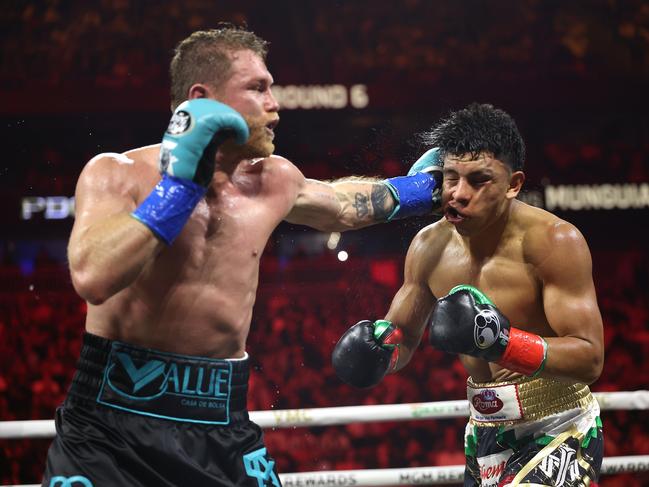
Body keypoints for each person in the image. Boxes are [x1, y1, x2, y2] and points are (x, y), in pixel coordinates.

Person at [42, 24, 443, 487]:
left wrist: (428, 188)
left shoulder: (273, 179)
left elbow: (347, 206)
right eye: (258, 88)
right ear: (202, 98)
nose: (276, 103)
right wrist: (180, 188)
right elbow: (93, 276)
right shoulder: (116, 174)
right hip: (110, 426)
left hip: (221, 426)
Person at [332, 103, 605, 486]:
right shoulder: (428, 246)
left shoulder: (554, 242)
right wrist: (379, 352)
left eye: (479, 180)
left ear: (513, 184)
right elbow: (403, 337)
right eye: (450, 178)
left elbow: (590, 359)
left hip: (558, 424)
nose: (458, 194)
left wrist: (504, 344)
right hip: (484, 430)